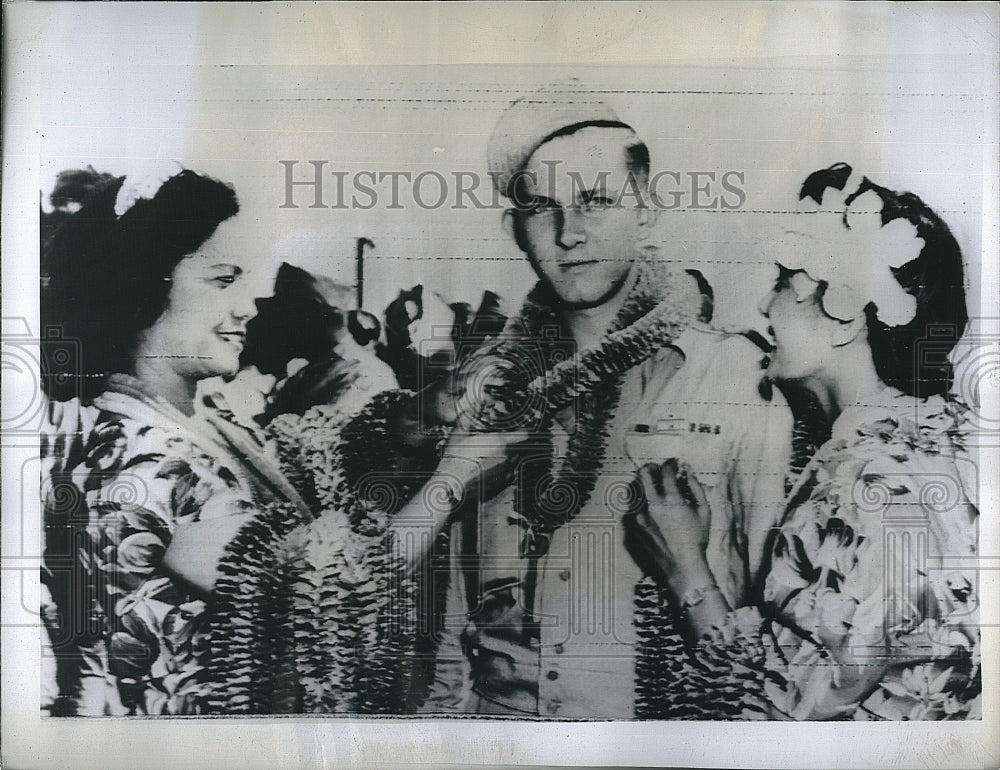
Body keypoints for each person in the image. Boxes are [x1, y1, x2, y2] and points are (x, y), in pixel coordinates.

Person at [38, 167, 499, 715]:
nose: (249, 305)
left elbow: (308, 457)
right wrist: (452, 483)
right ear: (141, 283)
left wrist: (421, 414)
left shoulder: (198, 417)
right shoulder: (144, 462)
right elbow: (334, 600)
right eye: (223, 280)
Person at [421, 84, 793, 718]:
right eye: (543, 207)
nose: (570, 233)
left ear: (645, 208)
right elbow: (458, 642)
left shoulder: (736, 378)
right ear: (515, 229)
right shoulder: (492, 391)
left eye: (595, 199)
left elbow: (770, 620)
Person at [633, 164, 980, 720]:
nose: (764, 306)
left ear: (845, 320)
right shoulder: (939, 445)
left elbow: (772, 714)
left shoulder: (871, 483)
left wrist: (685, 572)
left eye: (783, 283)